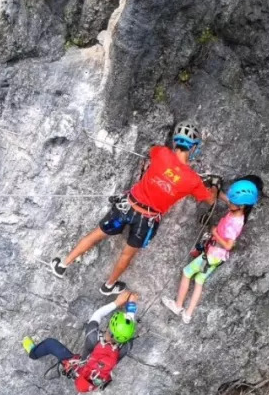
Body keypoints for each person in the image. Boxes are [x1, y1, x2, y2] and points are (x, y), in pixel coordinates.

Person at [50, 122, 221, 295]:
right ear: (194, 147)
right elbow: (210, 199)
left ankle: (63, 265)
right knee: (126, 255)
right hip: (146, 220)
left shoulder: (161, 153)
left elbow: (151, 150)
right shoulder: (192, 181)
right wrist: (213, 185)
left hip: (127, 206)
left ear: (176, 142)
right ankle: (108, 286)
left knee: (97, 234)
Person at [163, 177, 262, 324]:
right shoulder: (237, 210)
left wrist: (215, 233)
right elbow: (225, 199)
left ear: (241, 206)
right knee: (199, 280)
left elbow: (229, 245)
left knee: (187, 272)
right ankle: (187, 315)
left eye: (233, 202)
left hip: (214, 254)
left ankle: (178, 306)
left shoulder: (236, 222)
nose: (230, 203)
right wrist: (215, 186)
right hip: (217, 256)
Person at [22, 290, 139, 392]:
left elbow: (97, 315)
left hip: (80, 367)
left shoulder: (93, 338)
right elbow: (128, 333)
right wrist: (131, 308)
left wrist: (117, 303)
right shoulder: (126, 347)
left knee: (50, 344)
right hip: (94, 374)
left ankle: (33, 353)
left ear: (109, 327)